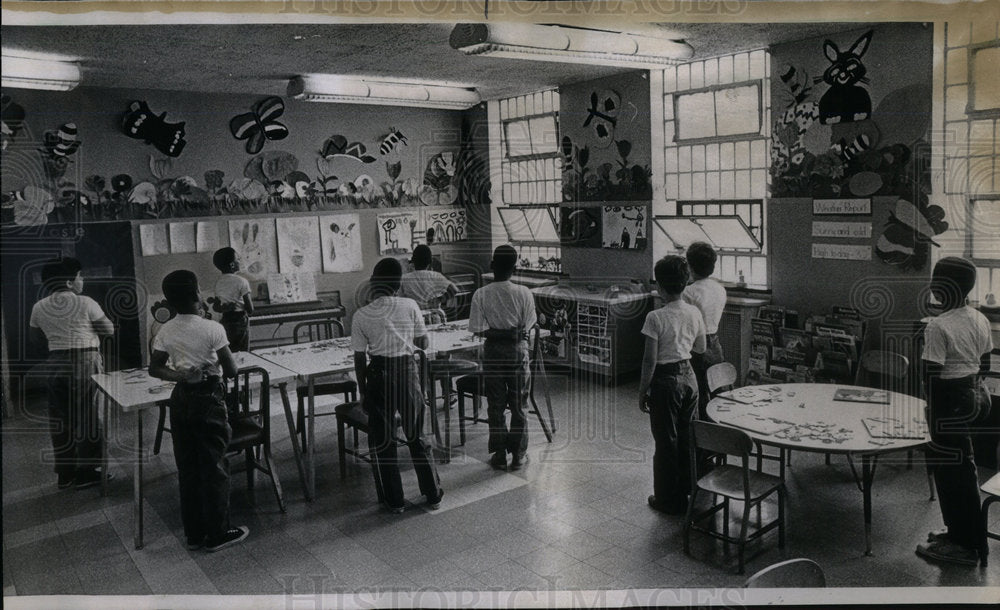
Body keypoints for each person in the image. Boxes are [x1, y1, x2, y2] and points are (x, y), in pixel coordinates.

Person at [148, 269, 248, 552]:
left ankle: (194, 535)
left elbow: (154, 368)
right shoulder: (212, 328)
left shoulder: (165, 329)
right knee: (214, 466)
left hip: (181, 399)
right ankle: (217, 533)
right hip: (208, 398)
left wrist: (182, 376)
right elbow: (230, 370)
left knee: (188, 467)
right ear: (196, 295)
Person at [915, 257, 993, 567]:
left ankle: (965, 545)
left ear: (942, 288)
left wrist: (932, 410)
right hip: (973, 396)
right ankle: (959, 533)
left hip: (947, 402)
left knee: (951, 473)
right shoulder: (978, 318)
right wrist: (971, 390)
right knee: (963, 467)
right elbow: (984, 364)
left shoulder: (938, 325)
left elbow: (930, 375)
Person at [352, 258, 444, 514]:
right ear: (399, 283)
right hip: (406, 372)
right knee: (417, 435)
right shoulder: (410, 305)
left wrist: (363, 390)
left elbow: (359, 359)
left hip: (378, 375)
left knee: (384, 439)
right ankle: (433, 494)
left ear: (373, 284)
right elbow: (423, 344)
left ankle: (394, 500)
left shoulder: (361, 314)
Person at [29, 257, 115, 490]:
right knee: (87, 416)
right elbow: (109, 330)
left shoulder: (38, 307)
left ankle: (65, 474)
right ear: (69, 282)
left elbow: (35, 339)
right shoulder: (85, 302)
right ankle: (87, 471)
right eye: (79, 276)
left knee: (60, 419)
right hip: (84, 360)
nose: (82, 280)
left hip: (55, 362)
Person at [639, 255, 707, 515]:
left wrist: (642, 390)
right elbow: (700, 347)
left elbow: (649, 361)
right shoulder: (694, 312)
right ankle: (689, 488)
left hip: (665, 380)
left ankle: (667, 498)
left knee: (665, 441)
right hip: (689, 376)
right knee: (688, 436)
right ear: (685, 282)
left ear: (659, 285)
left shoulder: (655, 318)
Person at [467, 245, 537, 471]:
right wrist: (511, 333)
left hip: (494, 352)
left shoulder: (481, 294)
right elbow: (525, 329)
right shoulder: (524, 292)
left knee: (495, 404)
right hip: (517, 351)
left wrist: (498, 332)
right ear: (515, 268)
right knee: (519, 404)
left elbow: (478, 329)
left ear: (492, 265)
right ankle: (518, 455)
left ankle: (499, 453)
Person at [682, 242, 727, 419]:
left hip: (695, 345)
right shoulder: (719, 288)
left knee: (698, 391)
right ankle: (719, 431)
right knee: (716, 388)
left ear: (690, 265)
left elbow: (684, 322)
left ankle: (701, 436)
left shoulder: (688, 292)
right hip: (715, 343)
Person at [212, 247, 254, 352]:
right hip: (240, 320)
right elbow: (250, 309)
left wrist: (225, 309)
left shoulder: (218, 282)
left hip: (225, 320)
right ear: (232, 265)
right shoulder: (242, 281)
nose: (240, 261)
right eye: (238, 259)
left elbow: (216, 307)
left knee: (230, 349)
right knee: (243, 350)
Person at [398, 244, 457, 313]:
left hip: (415, 315)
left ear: (413, 260)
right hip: (435, 316)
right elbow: (454, 289)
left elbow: (400, 300)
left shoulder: (404, 278)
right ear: (430, 261)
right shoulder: (436, 276)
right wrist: (439, 299)